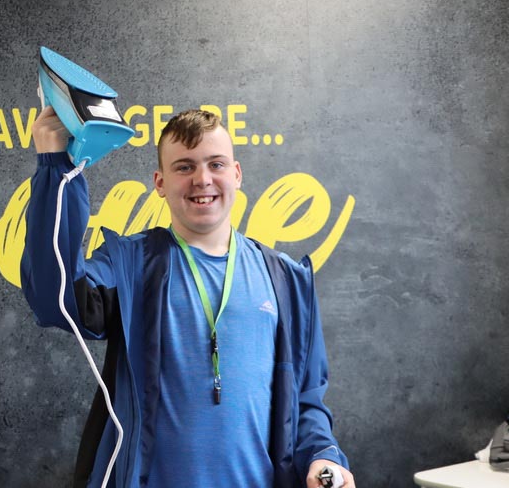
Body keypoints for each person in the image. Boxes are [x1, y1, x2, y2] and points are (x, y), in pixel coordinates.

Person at [20, 107, 355, 488]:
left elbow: (307, 400)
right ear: (160, 182)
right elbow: (55, 298)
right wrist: (56, 167)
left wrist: (323, 456)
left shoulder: (287, 280)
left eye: (216, 164)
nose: (202, 179)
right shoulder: (129, 265)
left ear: (237, 174)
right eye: (184, 167)